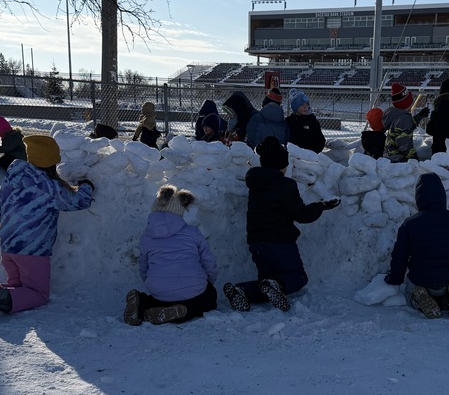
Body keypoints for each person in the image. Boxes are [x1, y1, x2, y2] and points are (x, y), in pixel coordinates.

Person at [0, 135, 95, 319]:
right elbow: (78, 202)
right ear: (52, 161)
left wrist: (13, 226)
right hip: (33, 251)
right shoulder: (49, 187)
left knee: (17, 288)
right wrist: (86, 186)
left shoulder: (13, 178)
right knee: (38, 293)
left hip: (8, 246)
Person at [222, 136, 339, 312]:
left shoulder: (256, 183)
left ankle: (242, 290)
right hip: (280, 242)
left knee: (267, 284)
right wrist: (321, 206)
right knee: (298, 277)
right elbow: (301, 214)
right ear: (281, 165)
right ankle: (272, 285)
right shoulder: (285, 185)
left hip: (256, 242)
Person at [384, 172, 449, 319]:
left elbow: (400, 258)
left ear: (418, 198)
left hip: (421, 280)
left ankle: (418, 299)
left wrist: (394, 279)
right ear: (442, 196)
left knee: (409, 293)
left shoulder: (410, 224)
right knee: (448, 284)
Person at [124, 184, 218, 326]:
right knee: (209, 297)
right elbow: (208, 261)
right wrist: (208, 281)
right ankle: (182, 312)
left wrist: (154, 283)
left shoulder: (146, 237)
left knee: (157, 298)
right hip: (194, 287)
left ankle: (143, 303)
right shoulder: (192, 232)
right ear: (180, 210)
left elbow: (143, 266)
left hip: (159, 289)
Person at [383, 82, 417, 162]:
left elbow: (407, 127)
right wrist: (413, 157)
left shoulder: (398, 116)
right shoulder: (403, 118)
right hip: (398, 159)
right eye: (411, 100)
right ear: (406, 103)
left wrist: (419, 117)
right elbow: (403, 141)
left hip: (390, 156)